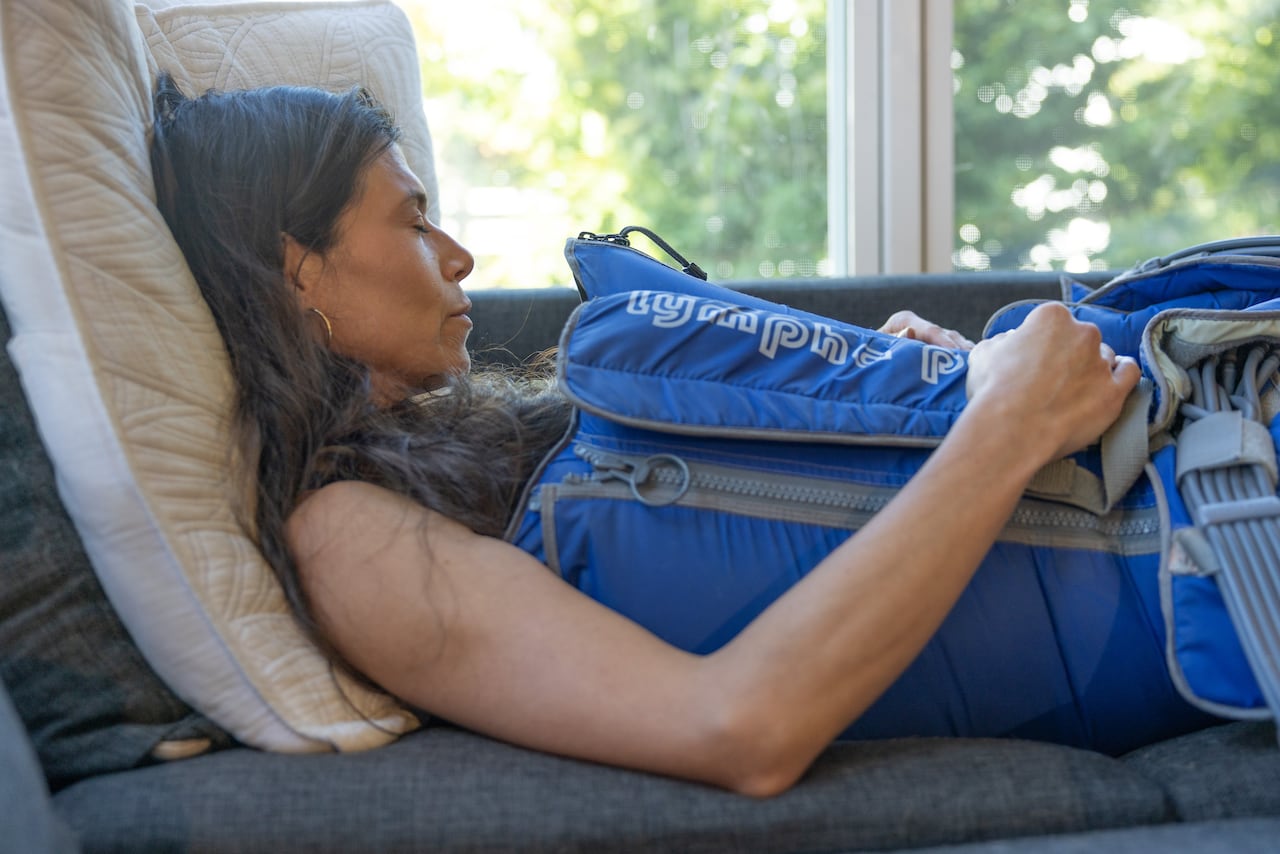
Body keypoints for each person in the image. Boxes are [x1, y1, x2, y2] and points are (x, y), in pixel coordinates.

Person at [150, 73, 1158, 797]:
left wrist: (916, 394)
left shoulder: (480, 438)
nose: (456, 255)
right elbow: (738, 727)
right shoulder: (348, 540)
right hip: (1183, 560)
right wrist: (997, 429)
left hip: (1154, 441)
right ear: (299, 271)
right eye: (413, 222)